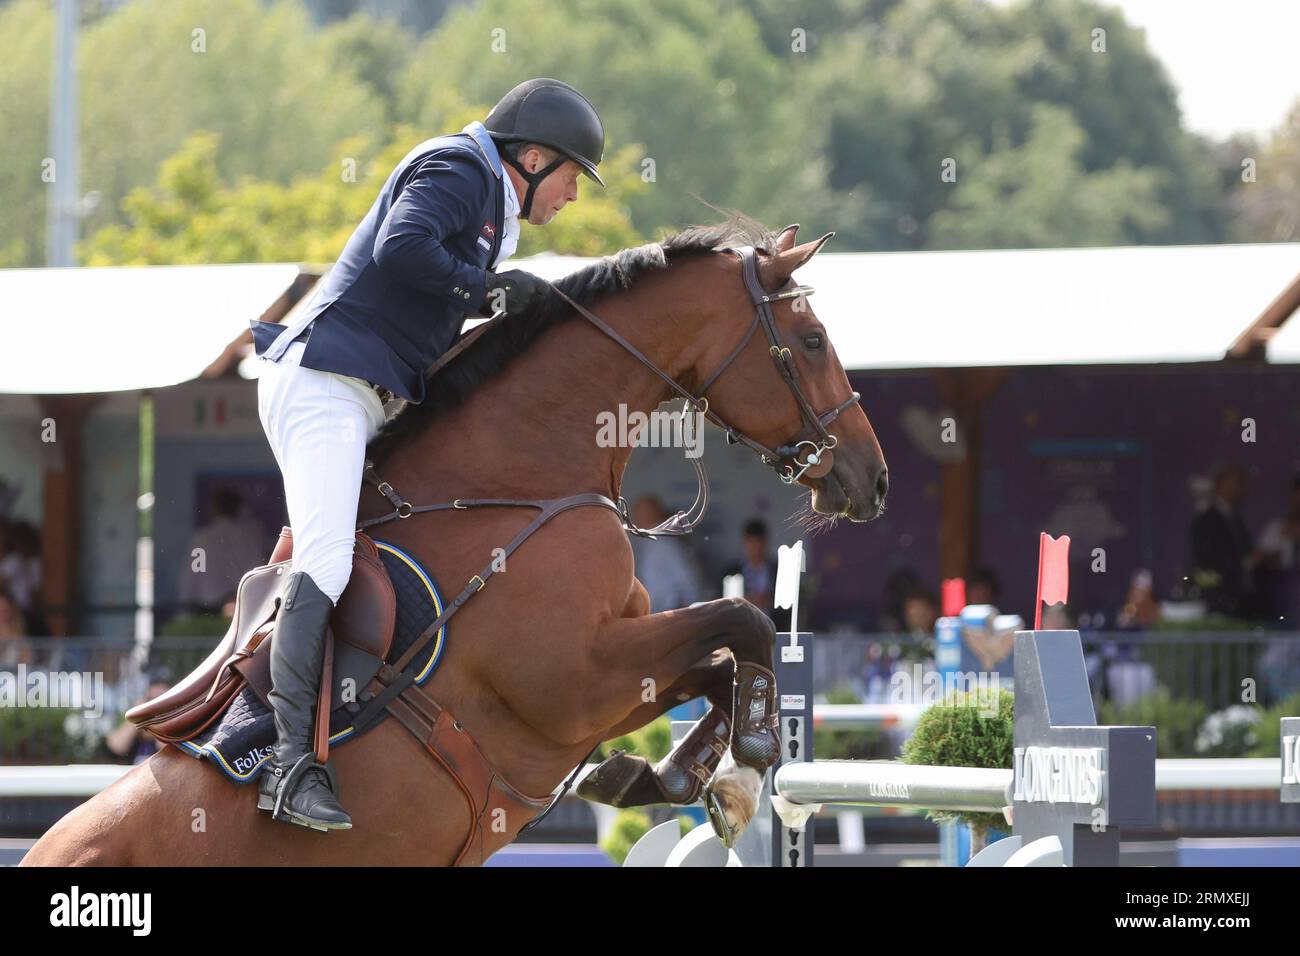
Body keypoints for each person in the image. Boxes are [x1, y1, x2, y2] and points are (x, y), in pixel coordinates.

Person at [245, 78, 604, 830]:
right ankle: (287, 766)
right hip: (325, 386)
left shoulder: (488, 205)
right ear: (533, 159)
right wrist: (487, 287)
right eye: (572, 176)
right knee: (329, 560)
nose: (573, 195)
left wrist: (492, 295)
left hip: (364, 393)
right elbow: (401, 246)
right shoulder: (460, 169)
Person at [179, 488, 269, 614]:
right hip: (241, 605)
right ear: (239, 509)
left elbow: (193, 573)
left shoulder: (202, 538)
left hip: (208, 608)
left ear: (215, 508)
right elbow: (258, 570)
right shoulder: (249, 538)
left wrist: (185, 609)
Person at [1189, 465, 1256, 618]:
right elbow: (1206, 558)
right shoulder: (1208, 517)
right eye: (1234, 482)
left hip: (1237, 594)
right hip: (1218, 596)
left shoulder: (1235, 517)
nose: (1239, 488)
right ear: (1219, 484)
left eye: (1240, 483)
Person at [628, 496, 704, 611]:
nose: (634, 520)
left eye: (640, 514)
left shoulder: (667, 544)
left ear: (653, 514)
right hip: (655, 614)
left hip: (672, 614)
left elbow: (689, 583)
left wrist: (683, 614)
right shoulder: (647, 544)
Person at [723, 518, 791, 631]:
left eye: (759, 542)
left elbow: (789, 603)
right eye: (752, 542)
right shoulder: (731, 571)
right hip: (740, 630)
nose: (756, 548)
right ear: (745, 543)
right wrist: (746, 600)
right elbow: (720, 600)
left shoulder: (779, 570)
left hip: (773, 629)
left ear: (765, 543)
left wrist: (770, 600)